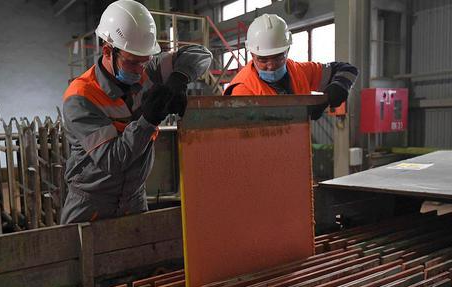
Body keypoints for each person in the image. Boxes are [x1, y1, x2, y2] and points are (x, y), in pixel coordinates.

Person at [61, 0, 212, 224]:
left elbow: (201, 55)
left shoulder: (145, 69)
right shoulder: (81, 97)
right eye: (132, 63)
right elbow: (113, 160)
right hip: (91, 205)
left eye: (145, 61)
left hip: (134, 199)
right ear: (107, 51)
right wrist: (148, 120)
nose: (141, 70)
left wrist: (178, 79)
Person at [224, 14, 358, 119]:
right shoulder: (242, 89)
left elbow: (347, 70)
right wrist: (301, 112)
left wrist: (338, 87)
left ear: (287, 51)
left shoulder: (299, 71)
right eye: (263, 60)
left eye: (277, 57)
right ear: (252, 55)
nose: (271, 66)